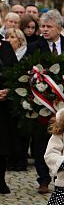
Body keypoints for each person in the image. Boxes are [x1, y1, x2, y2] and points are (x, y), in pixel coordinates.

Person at [26, 10, 64, 194]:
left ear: (59, 28)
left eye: (49, 26)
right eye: (42, 26)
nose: (44, 30)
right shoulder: (34, 48)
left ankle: (61, 176)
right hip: (42, 105)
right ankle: (43, 178)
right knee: (42, 142)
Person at [0, 38, 17, 194]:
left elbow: (15, 71)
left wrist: (9, 90)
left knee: (3, 143)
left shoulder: (5, 46)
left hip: (3, 105)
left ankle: (1, 179)